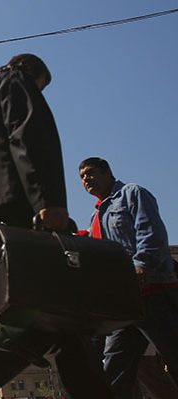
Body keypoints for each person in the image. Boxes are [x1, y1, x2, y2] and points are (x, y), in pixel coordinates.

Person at [0, 54, 112, 399]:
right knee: (46, 312)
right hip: (26, 214)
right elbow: (30, 136)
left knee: (62, 318)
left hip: (0, 219)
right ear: (31, 72)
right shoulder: (13, 82)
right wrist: (48, 203)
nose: (39, 92)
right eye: (41, 86)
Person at [78, 157, 178, 398]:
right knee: (113, 369)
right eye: (81, 177)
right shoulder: (95, 218)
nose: (85, 180)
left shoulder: (132, 194)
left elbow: (151, 233)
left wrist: (141, 265)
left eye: (90, 173)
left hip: (151, 294)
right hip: (122, 305)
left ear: (106, 172)